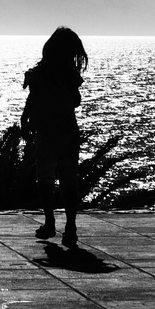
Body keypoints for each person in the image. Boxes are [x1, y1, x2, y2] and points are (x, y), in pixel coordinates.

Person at [22, 27, 88, 248]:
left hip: (47, 131)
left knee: (45, 177)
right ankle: (70, 228)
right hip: (68, 129)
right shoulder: (70, 76)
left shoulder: (39, 74)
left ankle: (50, 222)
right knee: (69, 179)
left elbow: (32, 100)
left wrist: (24, 121)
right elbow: (75, 101)